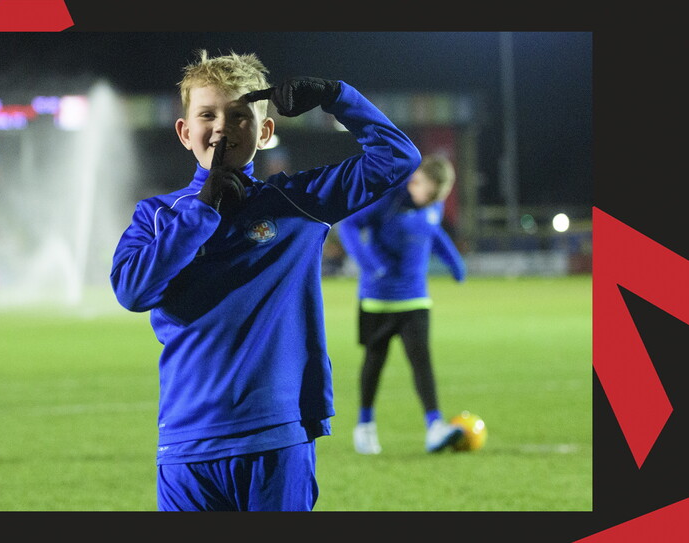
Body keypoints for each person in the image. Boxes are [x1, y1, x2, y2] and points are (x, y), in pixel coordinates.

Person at [109, 49, 421, 511]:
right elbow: (132, 291)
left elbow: (398, 158)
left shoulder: (297, 202)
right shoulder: (158, 216)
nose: (222, 127)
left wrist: (337, 96)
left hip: (275, 436)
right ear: (184, 131)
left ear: (266, 130)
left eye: (239, 115)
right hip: (186, 444)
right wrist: (200, 211)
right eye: (207, 114)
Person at [336, 153, 467, 454]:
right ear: (417, 180)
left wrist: (455, 263)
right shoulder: (388, 198)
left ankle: (435, 426)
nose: (432, 201)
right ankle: (365, 425)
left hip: (416, 298)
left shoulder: (430, 205)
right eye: (430, 193)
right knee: (374, 362)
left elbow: (434, 235)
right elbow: (349, 226)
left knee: (422, 363)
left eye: (437, 197)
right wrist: (368, 265)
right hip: (378, 299)